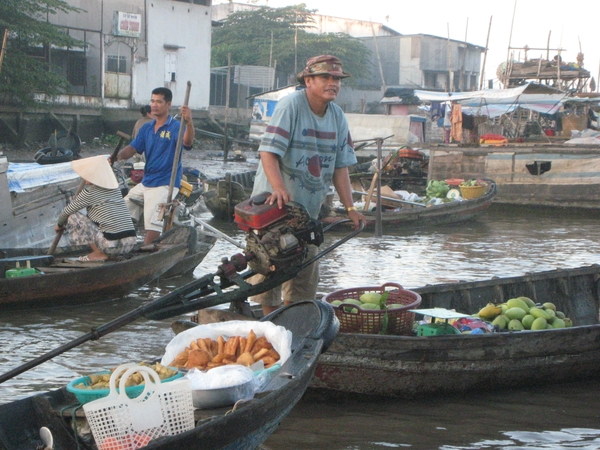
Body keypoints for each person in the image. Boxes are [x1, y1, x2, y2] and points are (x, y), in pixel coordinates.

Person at [249, 54, 365, 315]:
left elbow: (340, 166)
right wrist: (279, 188)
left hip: (308, 213)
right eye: (326, 77)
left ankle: (291, 324)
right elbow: (268, 152)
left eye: (336, 79)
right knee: (270, 270)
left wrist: (350, 208)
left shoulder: (337, 116)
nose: (332, 83)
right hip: (274, 208)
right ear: (308, 80)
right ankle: (271, 326)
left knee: (304, 276)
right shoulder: (291, 105)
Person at [115, 87, 195, 245]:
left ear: (168, 104)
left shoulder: (175, 127)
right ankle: (123, 245)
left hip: (165, 183)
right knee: (121, 209)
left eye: (159, 101)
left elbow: (187, 142)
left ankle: (147, 251)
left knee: (154, 222)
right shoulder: (147, 128)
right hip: (147, 181)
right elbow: (132, 148)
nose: (154, 104)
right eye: (152, 101)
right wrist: (116, 156)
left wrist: (189, 123)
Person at [54, 155, 137, 262]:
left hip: (111, 246)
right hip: (130, 244)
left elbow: (66, 212)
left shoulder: (89, 192)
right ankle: (103, 251)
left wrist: (59, 225)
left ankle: (99, 253)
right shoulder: (115, 189)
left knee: (72, 216)